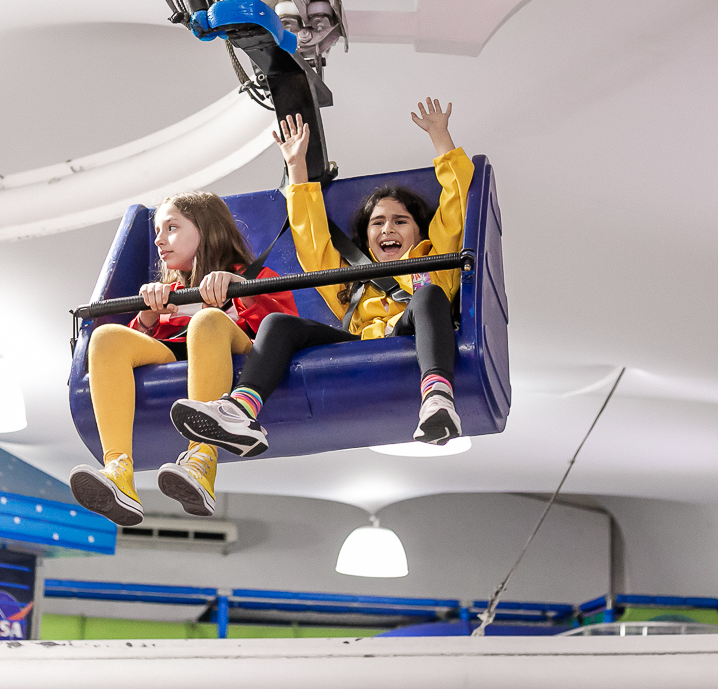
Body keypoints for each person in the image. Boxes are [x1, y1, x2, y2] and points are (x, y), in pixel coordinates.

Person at [170, 98, 474, 456]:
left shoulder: (434, 259)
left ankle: (437, 398)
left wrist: (441, 136)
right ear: (367, 238)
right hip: (360, 343)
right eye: (378, 223)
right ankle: (241, 410)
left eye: (400, 221)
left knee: (429, 296)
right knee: (279, 324)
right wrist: (296, 165)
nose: (387, 229)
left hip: (412, 332)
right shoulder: (352, 282)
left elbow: (456, 200)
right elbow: (311, 241)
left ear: (419, 231)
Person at [69, 191, 298, 526]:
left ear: (206, 229)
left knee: (206, 322)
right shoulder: (168, 292)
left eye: (171, 228)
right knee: (105, 338)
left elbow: (281, 329)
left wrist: (239, 286)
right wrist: (147, 317)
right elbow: (148, 348)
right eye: (158, 232)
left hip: (235, 347)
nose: (160, 241)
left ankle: (201, 459)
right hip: (179, 351)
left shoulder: (255, 277)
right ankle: (118, 469)